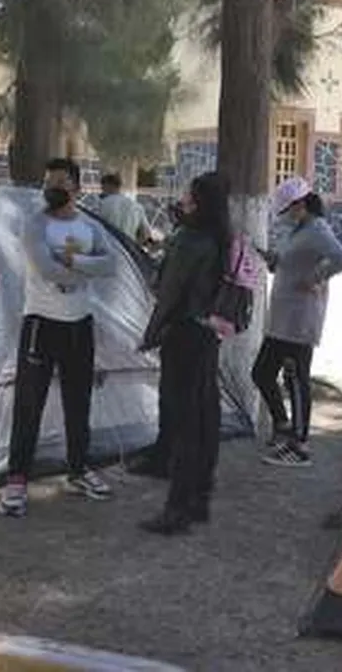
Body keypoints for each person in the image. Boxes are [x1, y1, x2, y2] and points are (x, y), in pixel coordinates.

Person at [0, 157, 117, 518]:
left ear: (77, 189)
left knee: (78, 402)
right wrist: (83, 267)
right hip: (41, 325)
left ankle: (78, 470)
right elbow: (45, 270)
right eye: (48, 181)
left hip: (80, 325)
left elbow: (110, 265)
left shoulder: (90, 227)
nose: (52, 188)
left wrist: (72, 264)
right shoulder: (34, 225)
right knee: (28, 405)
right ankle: (17, 480)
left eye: (60, 182)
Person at [137, 171, 230, 535]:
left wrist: (151, 333)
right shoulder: (223, 237)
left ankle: (177, 509)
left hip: (184, 336)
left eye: (189, 196)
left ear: (199, 201)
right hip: (208, 335)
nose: (183, 200)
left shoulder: (190, 240)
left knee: (185, 423)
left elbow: (169, 292)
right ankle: (200, 499)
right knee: (206, 419)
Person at [252, 177, 342, 469]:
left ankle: (300, 445)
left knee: (296, 379)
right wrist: (271, 259)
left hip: (300, 319)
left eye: (287, 210)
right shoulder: (296, 231)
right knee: (262, 373)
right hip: (281, 319)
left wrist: (315, 279)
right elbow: (287, 262)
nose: (284, 217)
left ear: (300, 205)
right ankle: (283, 426)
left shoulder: (318, 230)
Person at [96, 172, 152, 247]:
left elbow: (95, 229)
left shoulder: (102, 204)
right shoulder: (137, 207)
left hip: (107, 250)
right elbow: (145, 235)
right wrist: (134, 246)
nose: (102, 191)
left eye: (102, 188)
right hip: (127, 252)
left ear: (108, 186)